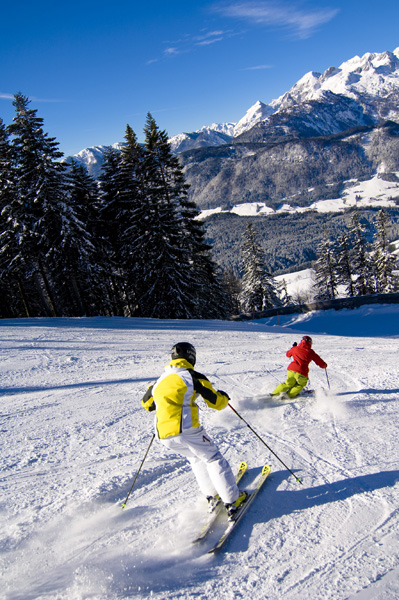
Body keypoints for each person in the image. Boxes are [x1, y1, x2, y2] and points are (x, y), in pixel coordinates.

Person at [141, 342, 247, 518]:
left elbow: (147, 405)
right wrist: (224, 397)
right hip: (186, 429)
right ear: (191, 356)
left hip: (163, 434)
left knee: (195, 457)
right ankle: (232, 500)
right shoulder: (192, 376)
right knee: (213, 458)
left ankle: (212, 495)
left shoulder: (160, 380)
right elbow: (216, 403)